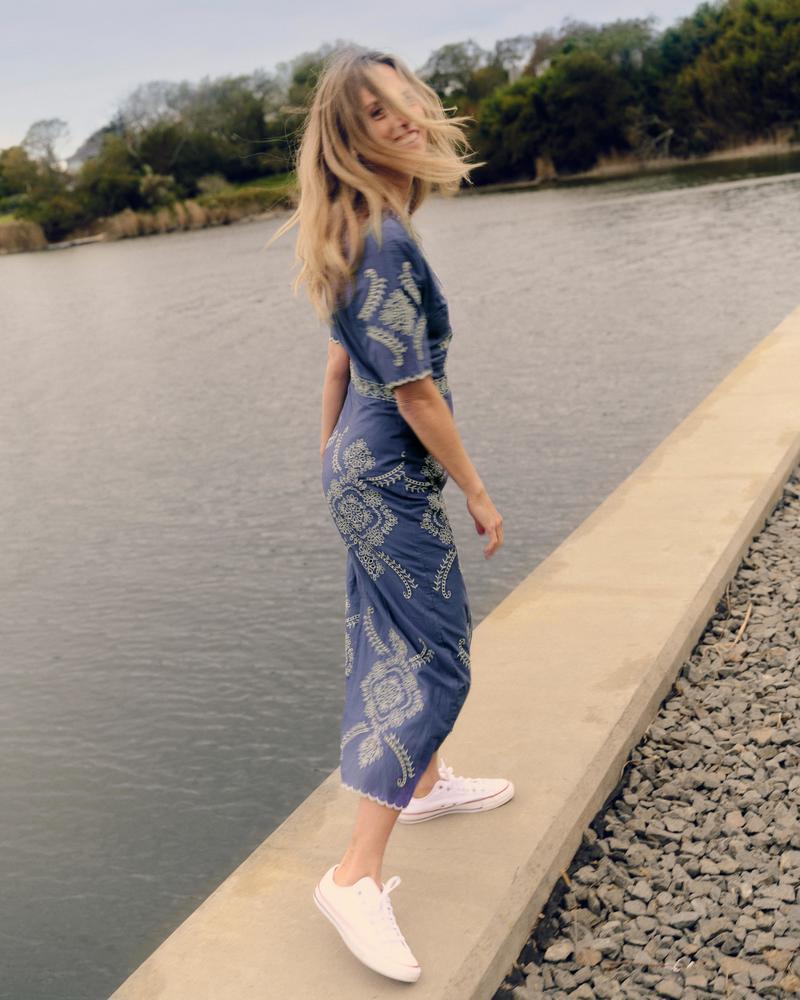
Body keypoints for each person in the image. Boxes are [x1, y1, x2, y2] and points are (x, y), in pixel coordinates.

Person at [268, 45, 514, 984]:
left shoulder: (361, 226)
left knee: (391, 631)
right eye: (376, 111)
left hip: (363, 466)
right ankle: (353, 875)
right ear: (349, 135)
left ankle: (425, 781)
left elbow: (338, 364)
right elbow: (414, 394)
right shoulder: (382, 240)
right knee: (437, 653)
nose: (403, 114)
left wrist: (330, 457)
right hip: (385, 471)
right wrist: (477, 490)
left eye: (402, 96)